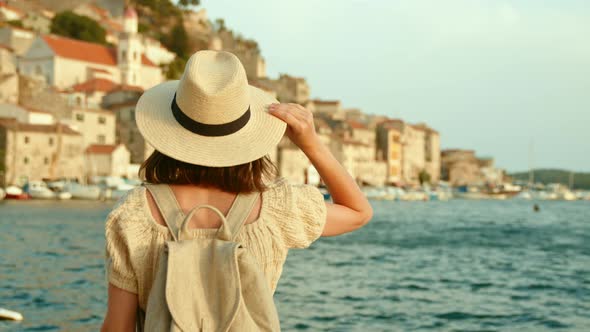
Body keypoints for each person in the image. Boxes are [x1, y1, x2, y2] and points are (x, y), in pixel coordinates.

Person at [101, 50, 372, 331]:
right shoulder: (277, 207)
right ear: (247, 136)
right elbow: (358, 211)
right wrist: (311, 143)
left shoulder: (134, 214)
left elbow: (117, 327)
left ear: (172, 131)